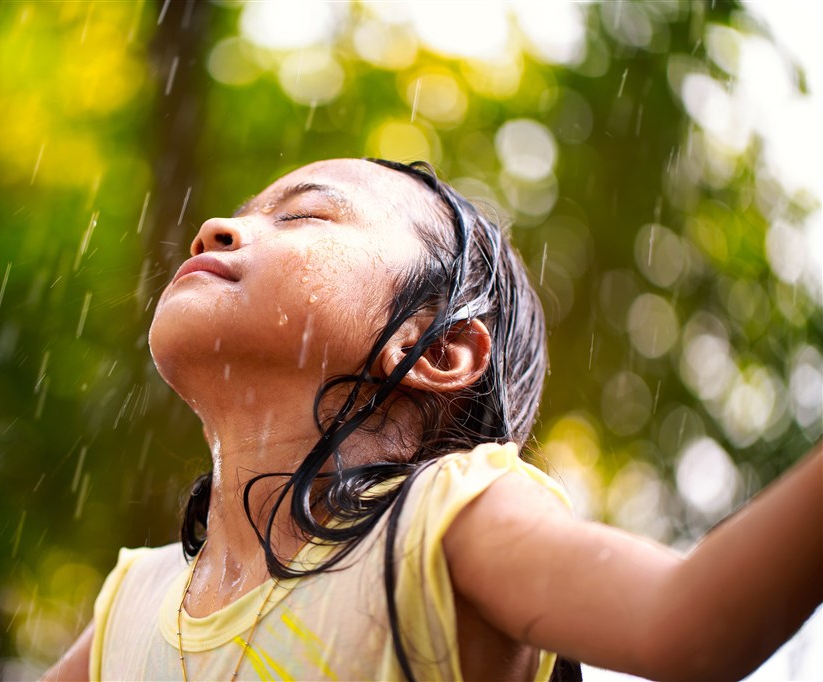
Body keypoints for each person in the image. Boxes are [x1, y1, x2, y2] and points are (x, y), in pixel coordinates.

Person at [42, 158, 821, 681]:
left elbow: (685, 625)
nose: (213, 228)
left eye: (305, 217)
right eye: (242, 215)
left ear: (437, 350)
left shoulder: (436, 525)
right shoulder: (130, 608)